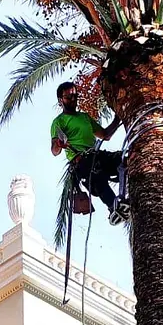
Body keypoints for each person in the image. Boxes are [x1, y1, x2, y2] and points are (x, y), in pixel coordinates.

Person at [50, 82, 129, 225]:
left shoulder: (84, 117)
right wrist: (59, 145)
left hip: (97, 155)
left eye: (75, 96)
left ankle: (126, 195)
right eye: (68, 97)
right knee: (97, 178)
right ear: (60, 100)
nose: (73, 99)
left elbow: (105, 135)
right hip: (81, 161)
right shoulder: (59, 122)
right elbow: (54, 150)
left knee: (125, 159)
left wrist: (118, 118)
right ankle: (113, 207)